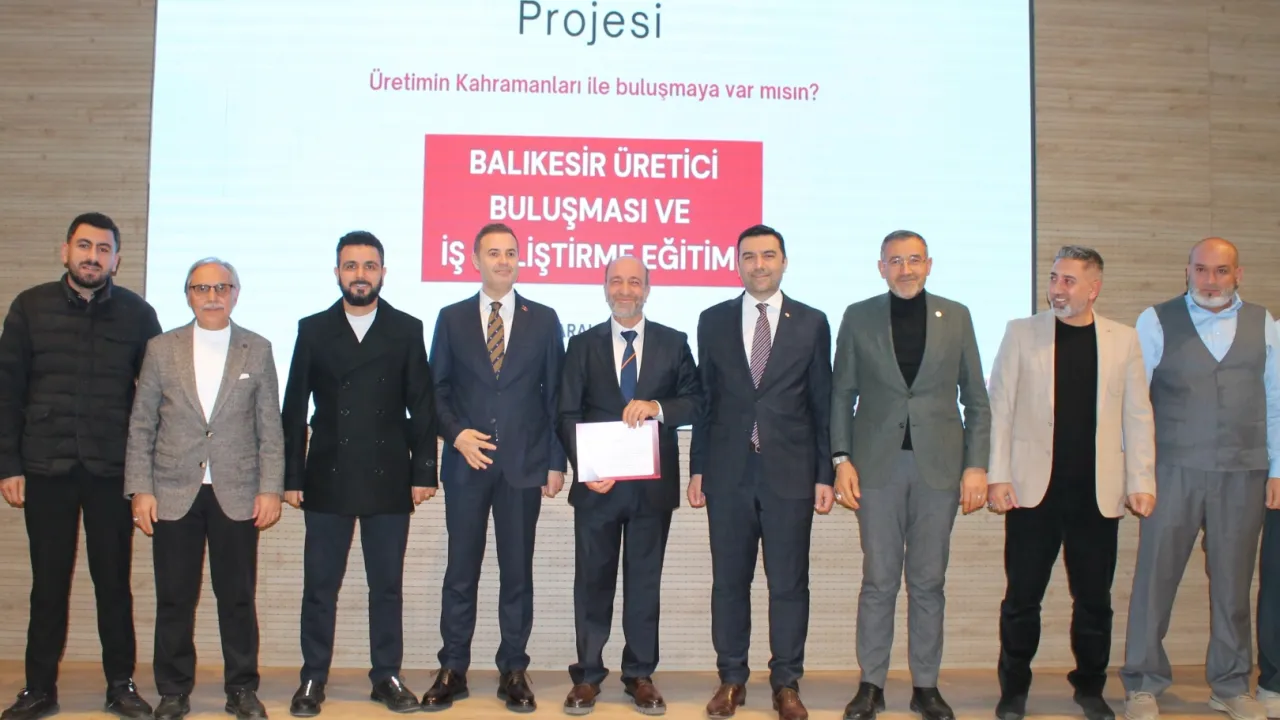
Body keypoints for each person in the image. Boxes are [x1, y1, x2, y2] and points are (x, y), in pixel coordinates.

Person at [985, 246, 1156, 720]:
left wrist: (1142, 480)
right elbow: (1001, 408)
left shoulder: (1123, 340)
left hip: (1097, 495)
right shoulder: (1021, 333)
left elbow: (1138, 415)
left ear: (1093, 288)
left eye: (1068, 281)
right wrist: (997, 476)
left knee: (1094, 602)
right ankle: (1013, 690)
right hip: (1031, 492)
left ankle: (1090, 688)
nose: (1057, 289)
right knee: (1022, 599)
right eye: (1054, 278)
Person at [0, 212, 159, 720]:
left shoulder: (138, 315)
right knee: (48, 584)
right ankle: (38, 689)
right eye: (85, 246)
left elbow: (156, 400)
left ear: (116, 259)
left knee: (113, 584)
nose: (93, 257)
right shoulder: (29, 307)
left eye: (103, 249)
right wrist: (8, 465)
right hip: (45, 468)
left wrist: (145, 476)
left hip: (111, 471)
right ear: (65, 251)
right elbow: (7, 392)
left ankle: (121, 686)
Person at [829, 230, 991, 720]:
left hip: (939, 468)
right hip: (875, 467)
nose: (906, 269)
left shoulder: (956, 315)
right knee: (879, 580)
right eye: (895, 261)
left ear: (929, 264)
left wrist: (976, 465)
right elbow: (841, 393)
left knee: (928, 581)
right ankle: (871, 686)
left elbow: (976, 397)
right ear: (881, 267)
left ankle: (926, 686)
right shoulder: (858, 315)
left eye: (914, 259)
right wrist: (841, 459)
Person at [281, 231, 438, 716]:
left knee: (386, 586)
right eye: (351, 266)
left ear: (383, 273)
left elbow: (422, 406)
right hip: (327, 473)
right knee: (319, 587)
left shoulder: (407, 328)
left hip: (388, 473)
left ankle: (386, 676)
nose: (360, 275)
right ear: (337, 273)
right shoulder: (312, 329)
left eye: (369, 266)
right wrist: (291, 477)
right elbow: (293, 408)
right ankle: (312, 677)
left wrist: (424, 472)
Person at [1121, 237, 1277, 720]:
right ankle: (1142, 684)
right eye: (1202, 269)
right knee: (1156, 579)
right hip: (1173, 471)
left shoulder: (1264, 324)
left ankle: (1230, 685)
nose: (1211, 280)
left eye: (1221, 271)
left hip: (1243, 473)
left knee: (1233, 584)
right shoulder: (1155, 320)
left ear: (1238, 274)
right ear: (1187, 271)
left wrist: (1278, 469)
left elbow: (1276, 402)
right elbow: (1134, 403)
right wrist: (1138, 474)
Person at [124, 258, 284, 720]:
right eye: (201, 288)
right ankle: (173, 690)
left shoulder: (257, 348)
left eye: (221, 287)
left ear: (235, 293)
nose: (212, 296)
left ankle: (242, 689)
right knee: (175, 597)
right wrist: (140, 488)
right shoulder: (161, 348)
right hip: (173, 491)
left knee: (237, 597)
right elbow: (141, 423)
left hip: (238, 491)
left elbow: (269, 428)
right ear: (188, 295)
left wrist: (270, 488)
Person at [688, 224, 834, 720]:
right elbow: (706, 401)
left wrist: (824, 473)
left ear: (784, 262)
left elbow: (821, 402)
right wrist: (698, 468)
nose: (759, 264)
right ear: (738, 264)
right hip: (728, 472)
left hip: (791, 473)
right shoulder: (712, 320)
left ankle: (786, 683)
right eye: (749, 256)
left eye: (768, 255)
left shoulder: (812, 322)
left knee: (789, 583)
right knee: (729, 582)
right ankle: (731, 679)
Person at [423, 222, 566, 714]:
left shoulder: (543, 319)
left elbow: (555, 396)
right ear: (475, 260)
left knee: (517, 574)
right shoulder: (451, 318)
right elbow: (436, 390)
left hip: (524, 467)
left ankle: (513, 669)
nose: (503, 261)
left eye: (510, 253)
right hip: (467, 464)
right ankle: (453, 668)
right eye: (493, 253)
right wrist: (455, 435)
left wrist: (555, 461)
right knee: (460, 572)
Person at [557, 256, 700, 716]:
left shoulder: (674, 342)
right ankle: (587, 676)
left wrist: (657, 407)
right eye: (616, 281)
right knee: (592, 584)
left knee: (644, 585)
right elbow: (566, 412)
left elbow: (696, 401)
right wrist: (585, 467)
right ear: (604, 288)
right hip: (597, 487)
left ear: (647, 289)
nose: (625, 289)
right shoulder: (581, 345)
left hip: (651, 491)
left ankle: (639, 674)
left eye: (634, 282)